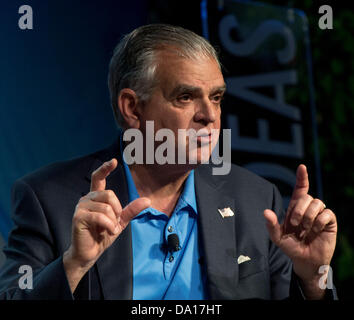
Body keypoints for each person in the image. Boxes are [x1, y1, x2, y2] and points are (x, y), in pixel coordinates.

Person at [0, 24, 337, 300]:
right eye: (186, 97)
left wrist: (313, 280)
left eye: (216, 97)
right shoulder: (49, 199)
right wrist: (73, 264)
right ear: (133, 108)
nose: (209, 116)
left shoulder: (257, 200)